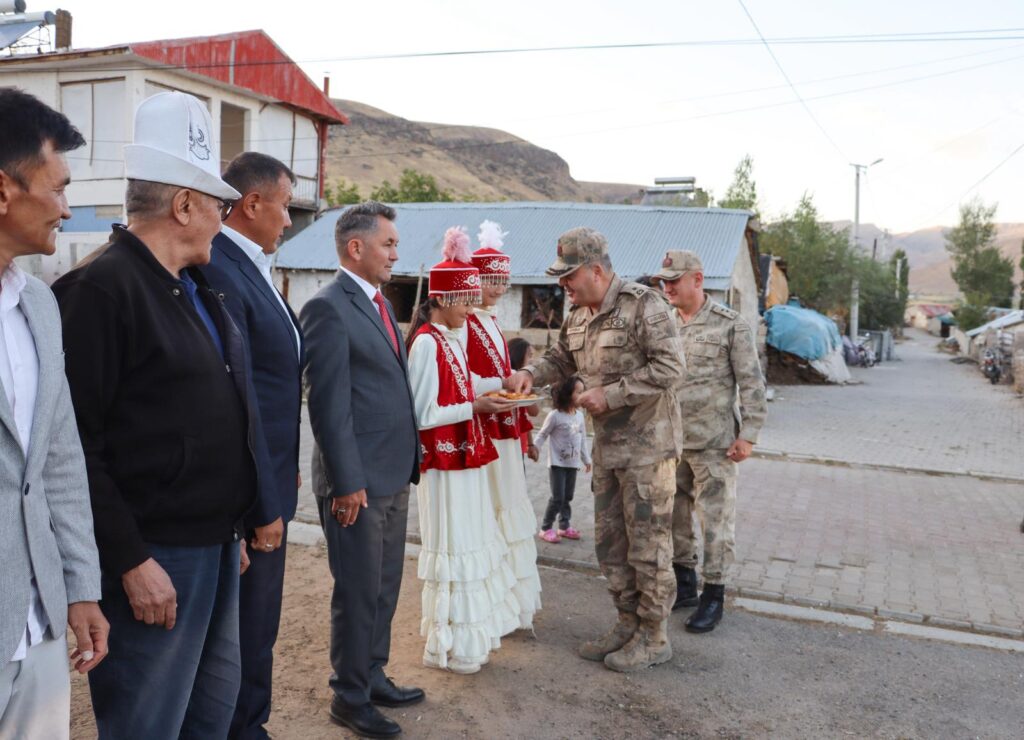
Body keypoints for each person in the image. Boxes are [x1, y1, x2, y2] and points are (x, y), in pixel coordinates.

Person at [53, 91, 259, 739]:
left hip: (215, 546)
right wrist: (130, 559)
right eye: (220, 206)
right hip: (154, 561)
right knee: (147, 726)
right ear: (184, 205)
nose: (224, 222)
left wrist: (231, 524)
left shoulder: (196, 287)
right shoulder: (99, 290)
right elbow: (74, 448)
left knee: (208, 718)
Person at [509, 227, 685, 673]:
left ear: (596, 270)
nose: (563, 284)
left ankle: (654, 636)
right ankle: (627, 624)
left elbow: (671, 367)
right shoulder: (578, 314)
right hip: (607, 448)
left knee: (649, 548)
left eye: (569, 276)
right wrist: (531, 373)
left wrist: (612, 394)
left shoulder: (644, 304)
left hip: (649, 451)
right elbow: (561, 359)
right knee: (611, 545)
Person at [0, 87, 107, 740]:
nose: (67, 209)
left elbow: (59, 459)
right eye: (58, 188)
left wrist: (80, 585)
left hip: (37, 623)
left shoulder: (39, 305)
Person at [300, 201, 423, 739]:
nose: (396, 253)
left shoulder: (378, 303)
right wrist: (346, 483)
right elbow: (328, 406)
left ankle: (372, 674)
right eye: (388, 244)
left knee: (383, 586)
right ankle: (349, 697)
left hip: (391, 473)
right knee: (356, 591)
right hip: (356, 483)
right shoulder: (328, 307)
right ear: (356, 247)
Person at [200, 151, 304, 740]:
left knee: (260, 622)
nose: (288, 220)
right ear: (253, 202)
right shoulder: (221, 267)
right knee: (245, 625)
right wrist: (261, 502)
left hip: (274, 478)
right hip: (251, 493)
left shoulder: (254, 267)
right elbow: (242, 399)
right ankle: (241, 729)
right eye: (284, 206)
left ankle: (250, 725)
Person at [406, 226, 520, 675]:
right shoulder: (425, 343)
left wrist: (500, 387)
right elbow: (423, 412)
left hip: (464, 455)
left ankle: (467, 640)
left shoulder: (449, 339)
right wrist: (475, 406)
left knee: (471, 538)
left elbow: (465, 384)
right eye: (466, 301)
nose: (471, 309)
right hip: (442, 463)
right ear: (445, 299)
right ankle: (448, 644)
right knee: (453, 542)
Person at [654, 250, 767, 633]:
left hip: (716, 445)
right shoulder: (663, 324)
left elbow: (751, 383)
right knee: (674, 517)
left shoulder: (730, 325)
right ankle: (685, 585)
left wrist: (748, 435)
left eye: (674, 280)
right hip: (672, 443)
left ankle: (714, 595)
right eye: (664, 281)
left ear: (698, 279)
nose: (667, 288)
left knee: (715, 522)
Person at [466, 220, 541, 629]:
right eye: (490, 279)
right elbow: (464, 376)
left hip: (505, 422)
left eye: (502, 280)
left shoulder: (492, 321)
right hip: (487, 426)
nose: (497, 288)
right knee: (495, 506)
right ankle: (494, 601)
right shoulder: (466, 322)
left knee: (510, 501)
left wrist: (513, 380)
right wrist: (501, 382)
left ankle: (511, 600)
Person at [532, 376, 591, 543]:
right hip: (557, 464)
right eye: (578, 392)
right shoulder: (555, 416)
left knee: (568, 496)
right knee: (557, 497)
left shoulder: (579, 416)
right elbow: (542, 434)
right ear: (567, 394)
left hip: (573, 463)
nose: (582, 395)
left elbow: (582, 439)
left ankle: (564, 526)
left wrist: (586, 459)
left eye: (583, 391)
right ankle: (545, 528)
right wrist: (534, 448)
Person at [507, 337, 540, 460]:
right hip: (506, 439)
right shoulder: (506, 382)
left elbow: (531, 413)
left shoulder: (525, 384)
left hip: (520, 441)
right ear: (518, 356)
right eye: (529, 355)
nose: (532, 360)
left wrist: (530, 444)